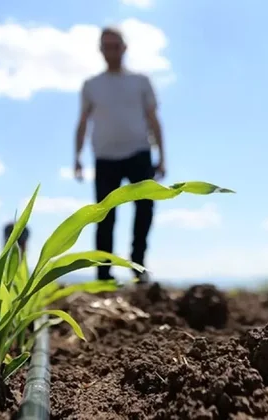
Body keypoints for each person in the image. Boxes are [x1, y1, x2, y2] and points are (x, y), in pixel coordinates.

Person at [73, 26, 165, 283]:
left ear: (124, 48)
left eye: (115, 46)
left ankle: (138, 267)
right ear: (100, 50)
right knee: (104, 215)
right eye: (106, 47)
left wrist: (163, 156)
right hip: (105, 157)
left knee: (144, 210)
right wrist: (77, 157)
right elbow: (82, 121)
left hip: (139, 152)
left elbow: (153, 119)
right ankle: (103, 274)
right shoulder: (92, 85)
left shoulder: (140, 82)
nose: (111, 51)